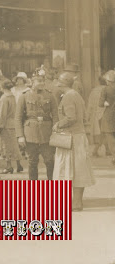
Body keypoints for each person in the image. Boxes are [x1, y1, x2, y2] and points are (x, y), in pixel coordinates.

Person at [52, 72, 95, 211]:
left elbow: (71, 118)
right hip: (79, 136)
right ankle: (77, 203)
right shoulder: (75, 94)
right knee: (78, 170)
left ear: (62, 83)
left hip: (70, 138)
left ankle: (72, 203)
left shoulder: (68, 96)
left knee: (67, 169)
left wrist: (58, 124)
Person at [16, 76, 58, 180]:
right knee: (32, 161)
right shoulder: (24, 96)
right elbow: (18, 117)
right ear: (32, 82)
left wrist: (55, 132)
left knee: (49, 161)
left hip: (47, 133)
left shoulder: (50, 96)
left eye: (43, 81)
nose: (41, 83)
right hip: (30, 133)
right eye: (39, 81)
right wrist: (20, 136)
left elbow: (56, 115)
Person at [0, 80, 24, 174]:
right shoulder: (12, 96)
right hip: (13, 124)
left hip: (6, 124)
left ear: (2, 86)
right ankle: (18, 165)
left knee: (6, 146)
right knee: (14, 145)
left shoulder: (4, 98)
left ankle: (9, 167)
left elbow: (2, 114)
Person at [85, 75, 106, 156]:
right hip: (105, 114)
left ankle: (100, 149)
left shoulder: (94, 91)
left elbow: (90, 105)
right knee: (106, 132)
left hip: (96, 114)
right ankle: (96, 150)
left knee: (100, 133)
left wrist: (87, 116)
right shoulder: (109, 89)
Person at [99, 70, 115, 163]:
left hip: (109, 116)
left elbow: (100, 103)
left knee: (110, 138)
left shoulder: (105, 89)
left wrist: (106, 103)